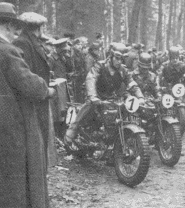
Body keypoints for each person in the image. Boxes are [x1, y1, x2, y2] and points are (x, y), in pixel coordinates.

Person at [0, 3, 56, 207]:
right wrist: (47, 90)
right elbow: (29, 84)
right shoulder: (7, 51)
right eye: (15, 28)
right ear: (6, 25)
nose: (17, 33)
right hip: (13, 122)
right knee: (19, 175)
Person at [64, 42, 144, 150]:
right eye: (117, 58)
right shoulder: (100, 65)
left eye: (122, 59)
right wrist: (93, 96)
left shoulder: (123, 70)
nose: (119, 61)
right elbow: (91, 78)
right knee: (89, 105)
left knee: (124, 112)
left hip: (112, 98)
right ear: (111, 56)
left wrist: (140, 97)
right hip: (97, 96)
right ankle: (72, 129)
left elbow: (132, 83)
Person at [13, 11, 58, 167]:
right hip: (32, 102)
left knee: (40, 143)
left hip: (39, 100)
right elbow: (27, 75)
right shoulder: (23, 43)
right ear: (38, 28)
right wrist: (45, 89)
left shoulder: (31, 42)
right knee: (34, 144)